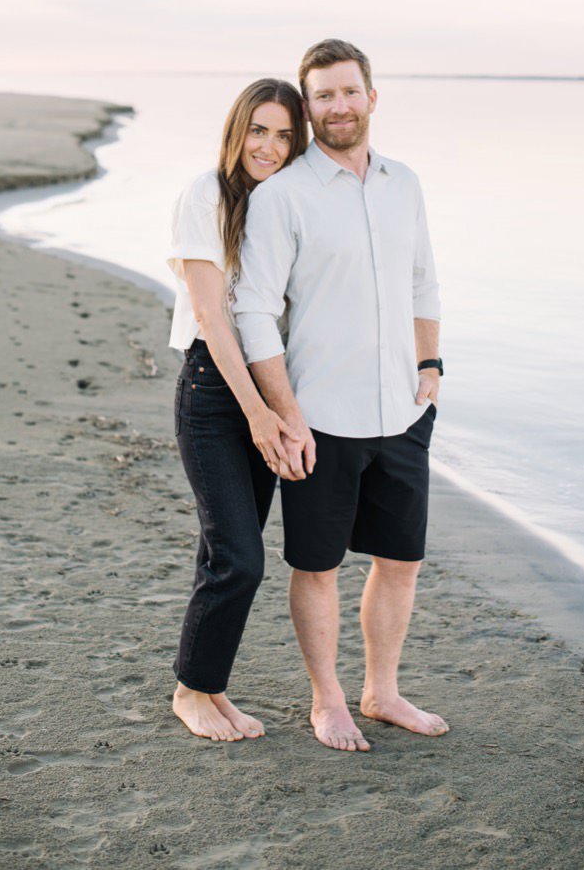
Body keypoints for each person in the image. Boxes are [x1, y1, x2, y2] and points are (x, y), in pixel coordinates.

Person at [233, 38, 446, 752]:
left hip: (402, 412)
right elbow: (254, 310)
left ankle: (381, 690)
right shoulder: (283, 196)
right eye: (323, 95)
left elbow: (423, 279)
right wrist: (287, 413)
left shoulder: (404, 182)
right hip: (321, 417)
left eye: (349, 90)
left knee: (401, 562)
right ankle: (328, 699)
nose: (339, 105)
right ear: (309, 105)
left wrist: (432, 365)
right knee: (316, 566)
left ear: (372, 96)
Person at [167, 78, 308, 741]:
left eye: (283, 134)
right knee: (241, 558)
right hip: (215, 393)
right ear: (237, 130)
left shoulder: (284, 205)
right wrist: (257, 413)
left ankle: (205, 687)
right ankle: (192, 693)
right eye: (259, 130)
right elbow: (212, 317)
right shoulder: (209, 194)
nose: (270, 146)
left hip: (265, 389)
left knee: (224, 549)